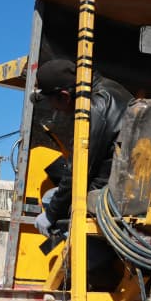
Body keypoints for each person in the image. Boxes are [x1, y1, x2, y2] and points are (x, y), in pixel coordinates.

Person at [32, 59, 133, 238]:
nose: (56, 110)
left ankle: (83, 253)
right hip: (128, 184)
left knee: (50, 199)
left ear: (64, 96)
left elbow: (77, 172)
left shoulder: (92, 110)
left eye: (53, 103)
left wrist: (50, 215)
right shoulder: (112, 88)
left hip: (110, 191)